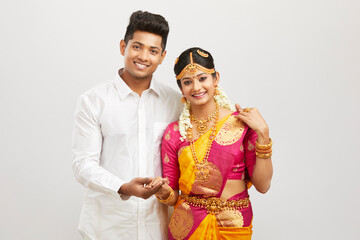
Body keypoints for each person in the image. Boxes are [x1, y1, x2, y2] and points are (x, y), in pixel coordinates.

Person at [72, 11, 181, 240]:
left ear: (162, 57)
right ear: (123, 46)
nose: (143, 56)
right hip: (107, 227)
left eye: (153, 51)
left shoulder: (175, 103)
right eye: (137, 47)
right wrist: (123, 186)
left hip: (158, 228)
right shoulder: (93, 101)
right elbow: (83, 164)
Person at [151, 47, 273, 239]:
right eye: (187, 82)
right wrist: (163, 191)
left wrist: (263, 134)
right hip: (187, 227)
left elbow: (263, 186)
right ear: (181, 88)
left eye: (202, 78)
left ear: (215, 79)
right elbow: (173, 196)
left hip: (232, 225)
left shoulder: (242, 124)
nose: (196, 87)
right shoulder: (174, 133)